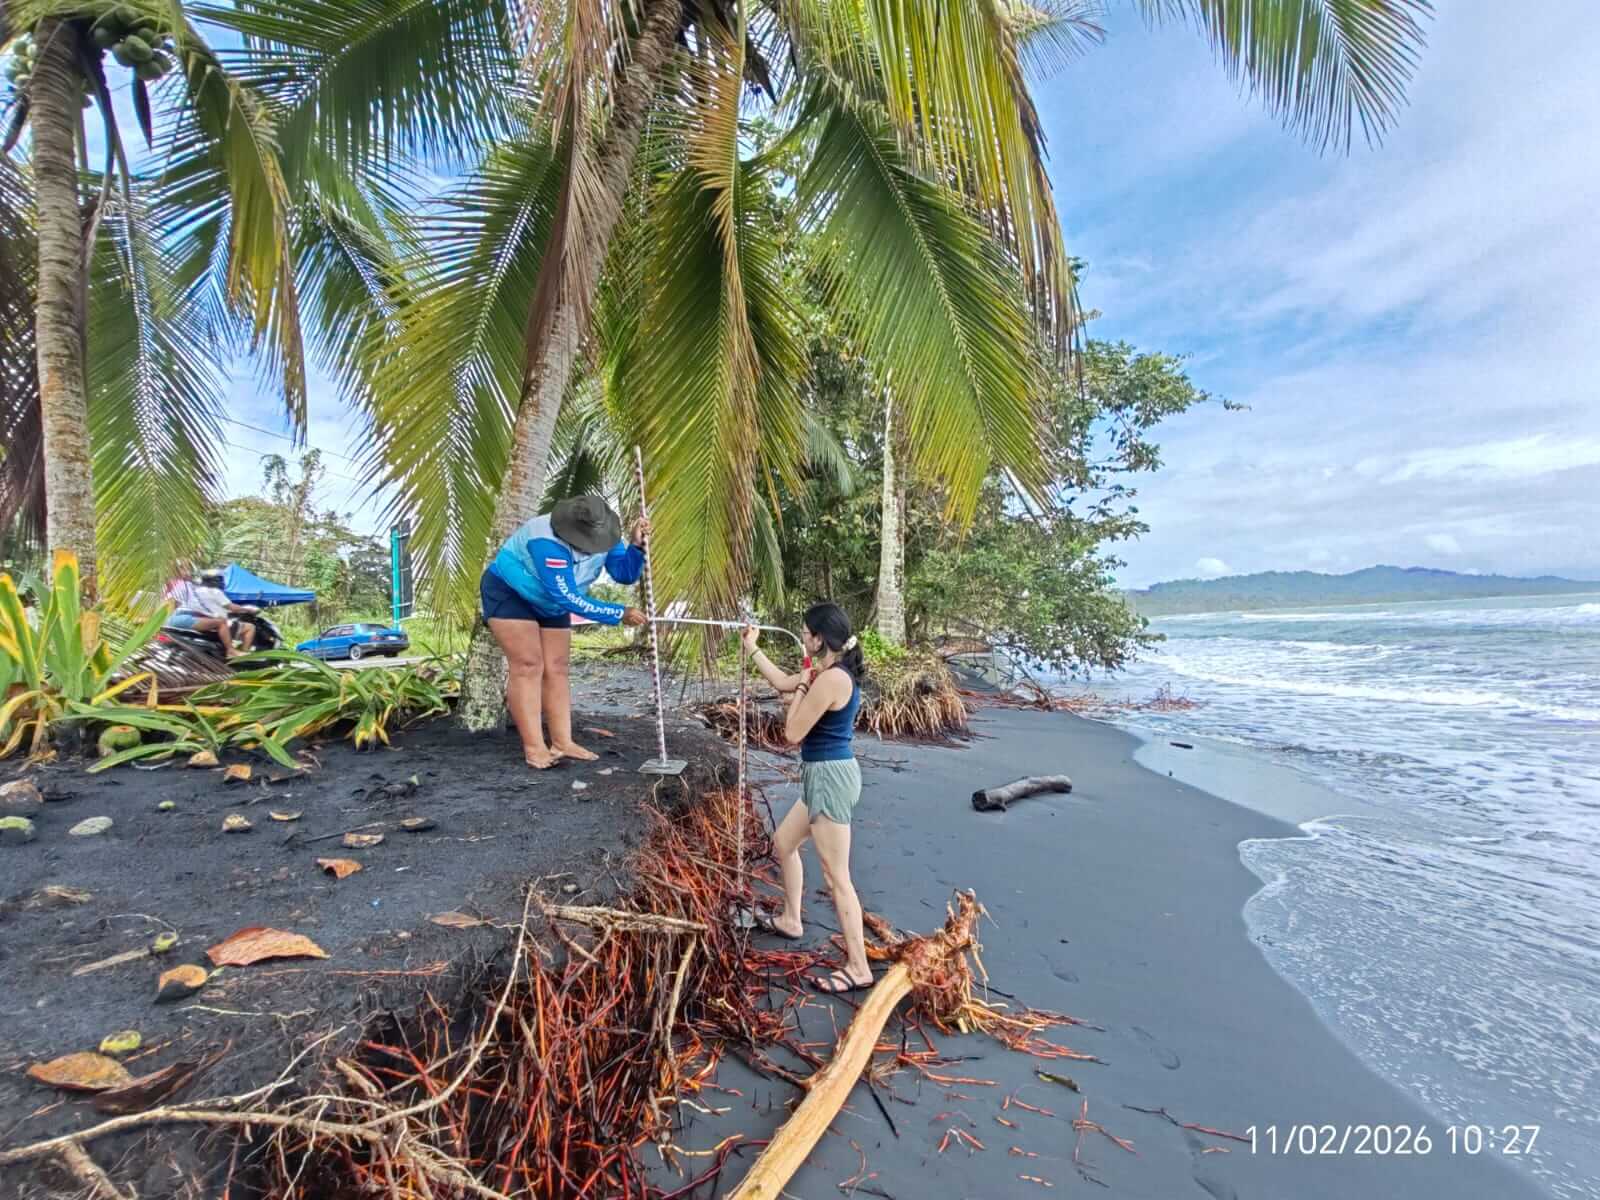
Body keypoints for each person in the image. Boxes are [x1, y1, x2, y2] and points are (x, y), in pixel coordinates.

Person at [743, 603, 872, 994]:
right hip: (820, 775)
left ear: (819, 638)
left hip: (831, 778)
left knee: (837, 878)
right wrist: (752, 648)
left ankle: (859, 966)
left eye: (805, 633)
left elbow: (793, 733)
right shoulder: (826, 673)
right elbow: (784, 682)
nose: (802, 638)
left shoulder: (832, 679)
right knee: (784, 843)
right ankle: (790, 919)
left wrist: (801, 689)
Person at [481, 495, 650, 769]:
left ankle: (562, 742)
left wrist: (637, 546)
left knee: (557, 667)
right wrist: (618, 613)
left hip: (550, 601)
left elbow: (624, 573)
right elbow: (568, 597)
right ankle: (535, 748)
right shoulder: (545, 541)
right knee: (528, 664)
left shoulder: (606, 534)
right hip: (510, 593)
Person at [163, 564, 258, 658]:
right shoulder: (211, 591)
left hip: (177, 619)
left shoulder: (192, 589)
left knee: (221, 622)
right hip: (181, 618)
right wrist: (247, 609)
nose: (187, 573)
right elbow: (232, 607)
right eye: (183, 569)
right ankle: (231, 651)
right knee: (224, 623)